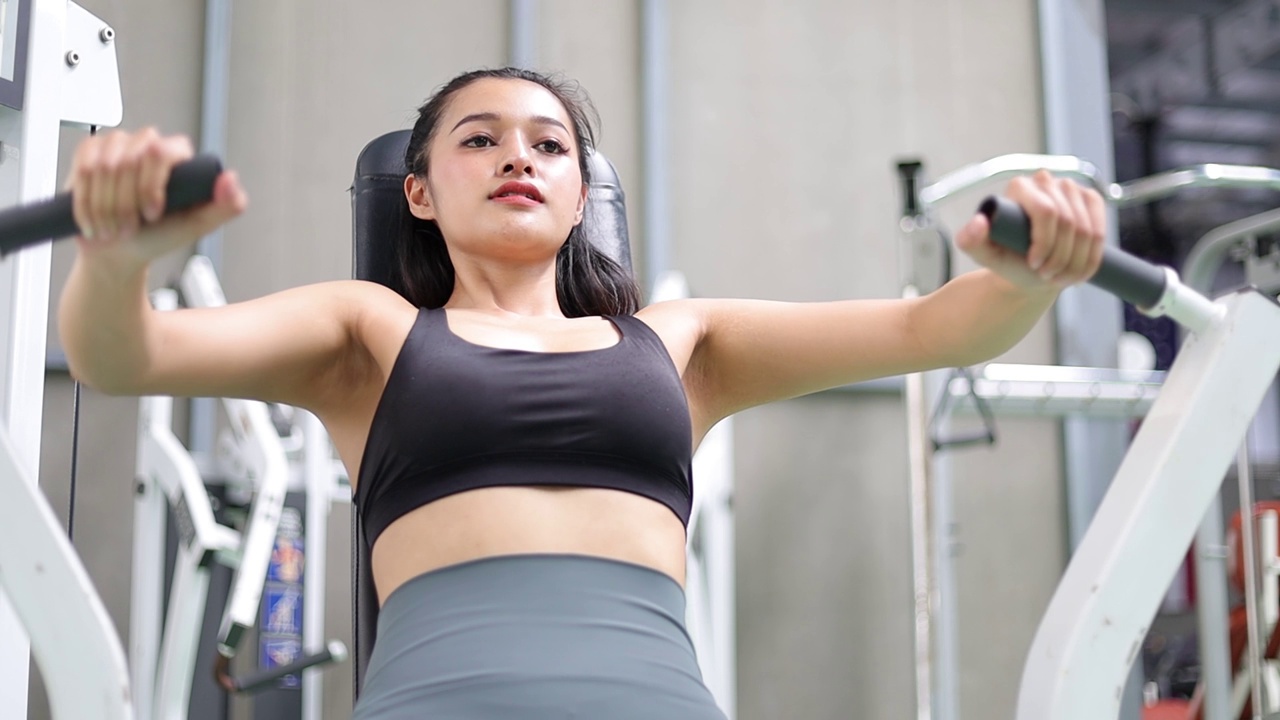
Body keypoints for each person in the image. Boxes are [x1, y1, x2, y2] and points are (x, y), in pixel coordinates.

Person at [58, 67, 1105, 719]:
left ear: (578, 194)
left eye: (547, 144)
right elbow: (125, 356)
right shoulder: (366, 334)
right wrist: (117, 259)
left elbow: (932, 327)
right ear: (416, 192)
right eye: (480, 138)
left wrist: (1022, 277)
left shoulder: (681, 343)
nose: (518, 154)